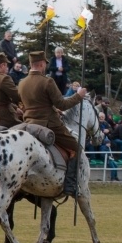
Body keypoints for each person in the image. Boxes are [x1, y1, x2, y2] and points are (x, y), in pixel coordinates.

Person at [18, 51, 87, 196]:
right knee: (76, 148)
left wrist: (52, 108)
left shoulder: (22, 83)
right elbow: (62, 103)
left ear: (31, 64)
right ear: (42, 64)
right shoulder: (47, 81)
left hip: (29, 123)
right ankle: (70, 185)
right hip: (48, 123)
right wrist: (78, 96)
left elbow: (28, 104)